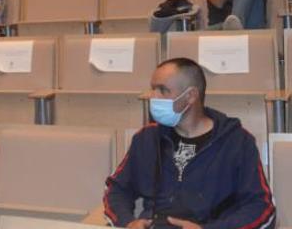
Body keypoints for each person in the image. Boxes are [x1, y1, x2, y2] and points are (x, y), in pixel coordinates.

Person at [104, 58, 275, 229]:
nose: (153, 97)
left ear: (191, 96)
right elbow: (117, 190)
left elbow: (261, 207)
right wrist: (128, 222)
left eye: (163, 90)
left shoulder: (237, 142)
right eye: (153, 89)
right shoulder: (146, 138)